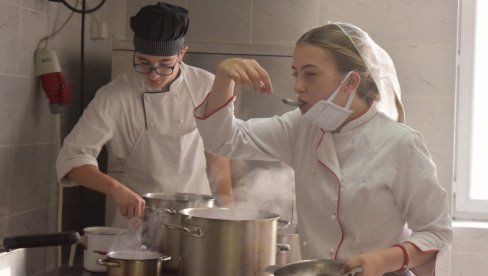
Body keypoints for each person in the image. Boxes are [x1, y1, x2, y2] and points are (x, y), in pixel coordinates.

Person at [193, 22, 451, 276]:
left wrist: (384, 260)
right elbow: (224, 140)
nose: (298, 86)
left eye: (310, 74)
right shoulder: (300, 127)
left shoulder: (400, 144)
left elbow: (436, 232)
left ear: (350, 82)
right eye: (296, 73)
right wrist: (224, 79)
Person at [56, 2, 233, 227]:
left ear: (182, 53)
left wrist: (228, 213)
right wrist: (116, 189)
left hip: (195, 221)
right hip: (137, 221)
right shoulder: (114, 95)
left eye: (165, 64)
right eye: (143, 62)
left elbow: (218, 155)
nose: (154, 74)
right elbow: (71, 159)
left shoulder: (206, 86)